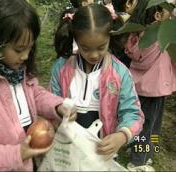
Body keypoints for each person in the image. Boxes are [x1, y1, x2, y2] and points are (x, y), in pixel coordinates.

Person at [0, 0, 76, 171]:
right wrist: (17, 154)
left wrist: (57, 106)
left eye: (30, 48)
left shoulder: (16, 70)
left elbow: (34, 93)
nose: (25, 56)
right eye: (19, 49)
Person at [50, 4, 144, 161]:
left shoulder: (119, 74)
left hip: (101, 152)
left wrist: (122, 135)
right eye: (85, 48)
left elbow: (133, 112)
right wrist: (57, 111)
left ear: (110, 38)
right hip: (67, 149)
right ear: (76, 40)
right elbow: (50, 101)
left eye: (101, 47)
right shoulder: (61, 68)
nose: (93, 55)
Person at [123, 0, 176, 171]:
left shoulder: (137, 35)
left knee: (137, 122)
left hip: (137, 87)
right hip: (154, 91)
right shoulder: (161, 37)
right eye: (168, 9)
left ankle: (135, 147)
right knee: (151, 127)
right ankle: (139, 161)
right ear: (158, 16)